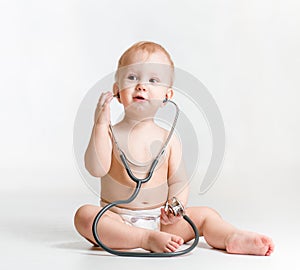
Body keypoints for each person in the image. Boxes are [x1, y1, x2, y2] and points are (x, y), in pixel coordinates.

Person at [74, 41, 274, 255]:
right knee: (85, 216)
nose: (142, 85)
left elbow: (178, 181)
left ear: (167, 97)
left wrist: (175, 208)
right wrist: (100, 124)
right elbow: (96, 169)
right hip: (117, 219)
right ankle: (143, 238)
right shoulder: (108, 133)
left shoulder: (168, 139)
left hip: (162, 221)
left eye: (153, 80)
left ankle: (231, 237)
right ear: (117, 91)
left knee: (207, 215)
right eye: (132, 77)